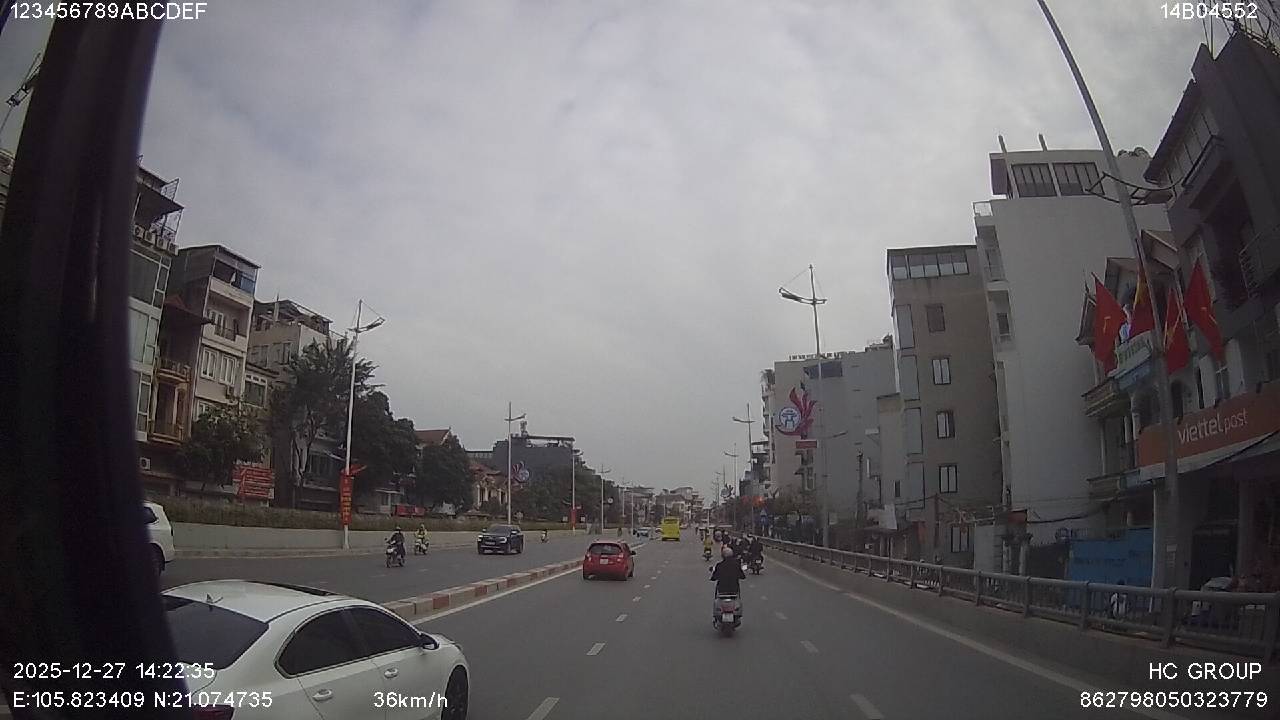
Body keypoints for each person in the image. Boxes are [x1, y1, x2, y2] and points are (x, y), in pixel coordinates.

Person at [710, 545, 747, 617]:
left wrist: (713, 578)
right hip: (734, 590)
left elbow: (714, 577)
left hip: (722, 590)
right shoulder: (736, 565)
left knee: (717, 600)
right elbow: (742, 576)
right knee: (737, 600)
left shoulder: (719, 565)